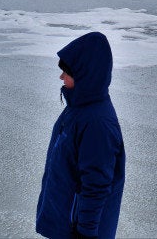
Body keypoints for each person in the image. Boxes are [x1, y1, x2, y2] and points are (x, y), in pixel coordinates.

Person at [36, 32, 125, 239]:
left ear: (84, 74)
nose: (61, 77)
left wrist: (85, 233)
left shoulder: (97, 123)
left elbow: (97, 185)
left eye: (66, 72)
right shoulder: (78, 107)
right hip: (66, 221)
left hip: (79, 229)